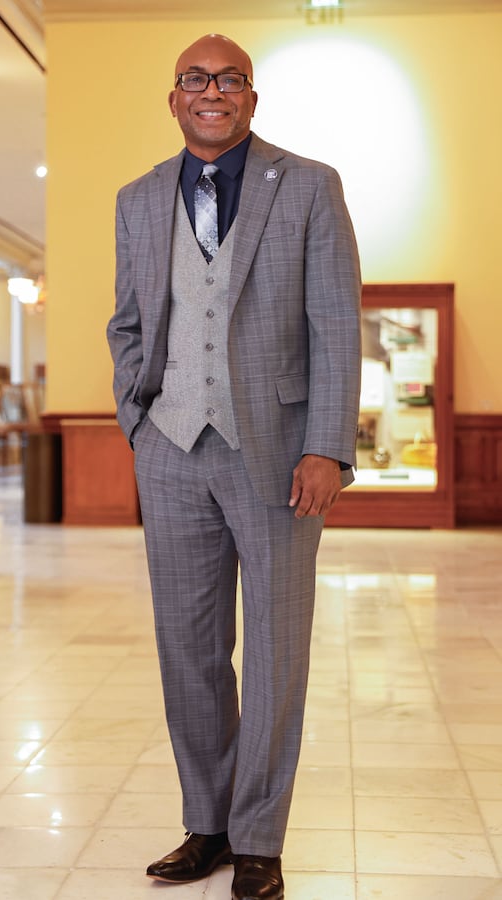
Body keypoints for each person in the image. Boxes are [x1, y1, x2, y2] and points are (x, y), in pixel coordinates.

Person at [107, 33, 361, 900]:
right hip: (171, 448)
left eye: (229, 79)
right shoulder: (137, 199)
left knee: (277, 651)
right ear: (173, 98)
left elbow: (335, 324)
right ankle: (207, 825)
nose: (211, 91)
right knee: (189, 650)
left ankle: (259, 836)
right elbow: (129, 322)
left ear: (251, 98)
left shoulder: (311, 186)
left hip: (282, 452)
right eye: (194, 78)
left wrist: (327, 444)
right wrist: (135, 421)